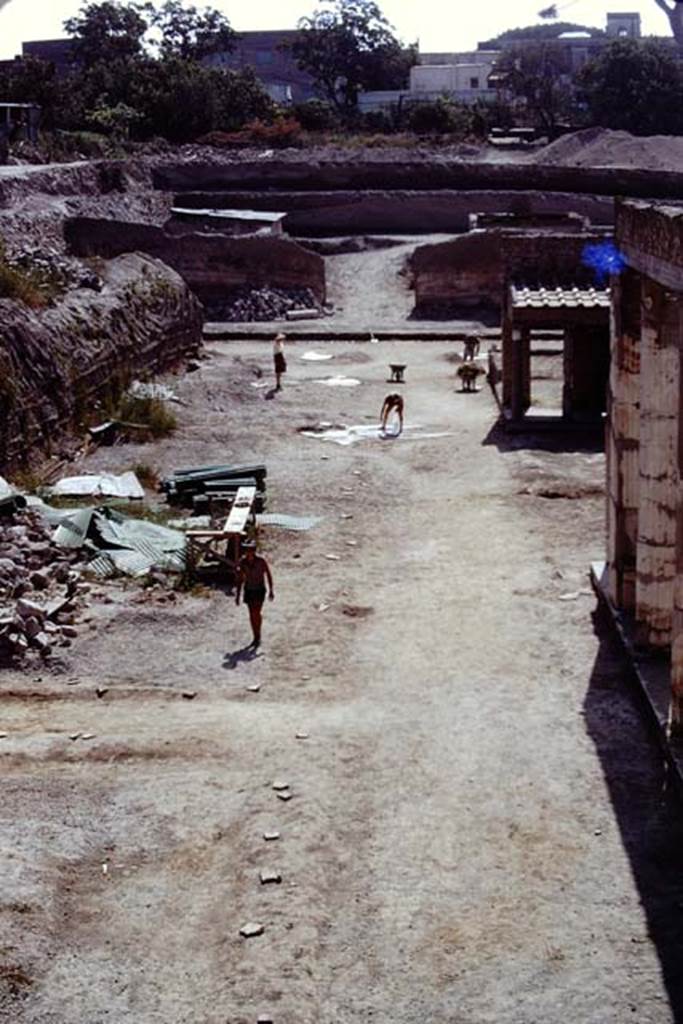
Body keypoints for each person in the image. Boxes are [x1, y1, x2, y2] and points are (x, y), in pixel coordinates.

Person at [235, 543, 274, 649]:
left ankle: (258, 634)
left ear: (254, 551)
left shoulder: (261, 562)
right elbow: (240, 579)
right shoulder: (243, 563)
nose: (248, 552)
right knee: (252, 614)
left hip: (259, 590)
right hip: (249, 590)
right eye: (247, 550)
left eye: (250, 550)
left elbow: (268, 575)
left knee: (256, 612)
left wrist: (271, 590)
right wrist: (238, 595)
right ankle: (255, 635)